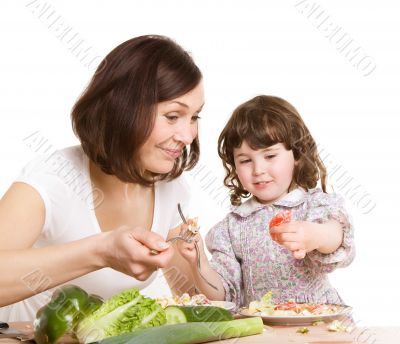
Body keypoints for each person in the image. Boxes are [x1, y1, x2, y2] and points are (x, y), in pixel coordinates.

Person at [0, 35, 205, 321]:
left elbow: (198, 299)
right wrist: (100, 251)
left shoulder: (171, 188)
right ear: (123, 109)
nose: (187, 136)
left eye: (195, 117)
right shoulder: (52, 177)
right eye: (173, 116)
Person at [177, 95, 355, 308]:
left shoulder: (315, 206)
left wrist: (314, 235)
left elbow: (339, 238)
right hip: (264, 330)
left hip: (317, 323)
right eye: (245, 160)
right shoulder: (233, 227)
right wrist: (199, 263)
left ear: (297, 154)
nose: (258, 170)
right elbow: (223, 296)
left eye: (270, 156)